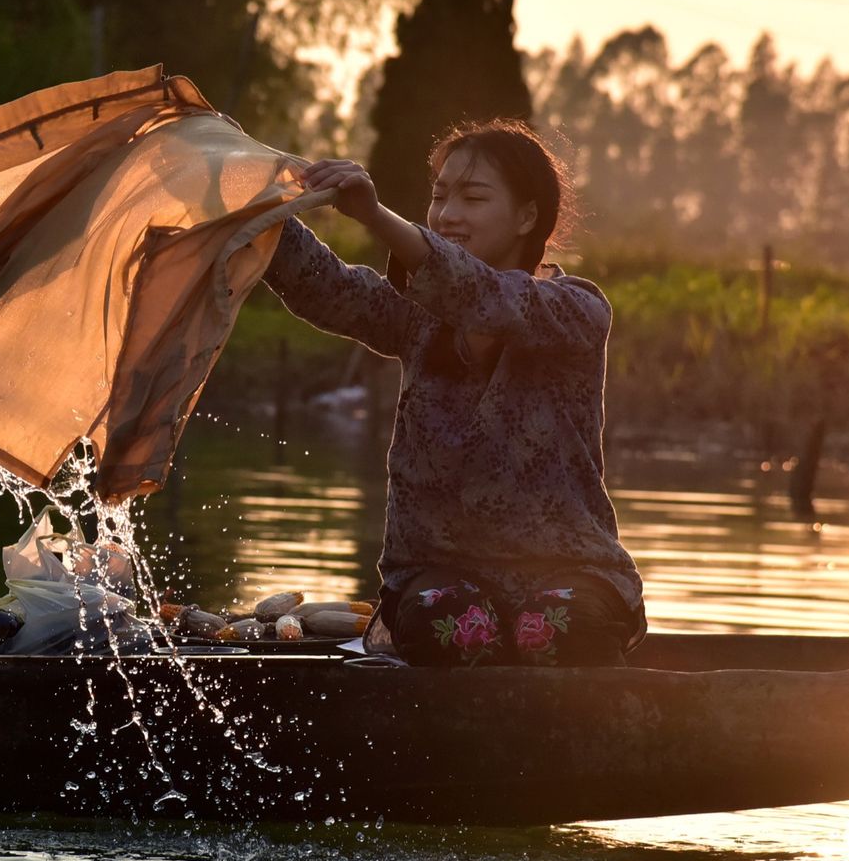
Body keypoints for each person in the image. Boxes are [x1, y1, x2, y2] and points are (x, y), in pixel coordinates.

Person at [264, 119, 643, 666]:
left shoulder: (576, 309)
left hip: (569, 572)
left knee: (551, 630)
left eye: (473, 196)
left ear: (527, 216)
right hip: (438, 575)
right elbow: (329, 289)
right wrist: (251, 200)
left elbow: (484, 293)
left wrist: (373, 214)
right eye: (439, 196)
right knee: (458, 629)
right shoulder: (418, 317)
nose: (446, 214)